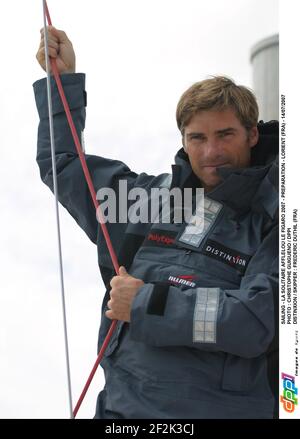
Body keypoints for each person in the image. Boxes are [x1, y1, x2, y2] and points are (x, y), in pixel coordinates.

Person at [34, 26, 279, 419]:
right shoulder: (143, 202)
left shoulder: (279, 221)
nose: (211, 151)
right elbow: (63, 166)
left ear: (252, 134)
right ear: (183, 141)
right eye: (197, 137)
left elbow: (253, 324)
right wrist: (60, 83)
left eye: (225, 134)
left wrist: (146, 302)